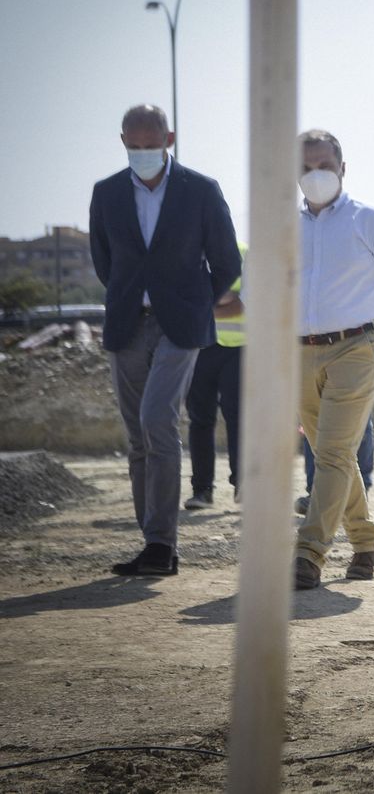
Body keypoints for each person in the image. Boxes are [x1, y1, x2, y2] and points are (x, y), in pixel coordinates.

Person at [88, 104, 241, 576]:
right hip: (127, 326)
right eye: (133, 147)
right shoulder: (107, 193)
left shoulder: (201, 190)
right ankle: (154, 545)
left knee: (158, 419)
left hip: (182, 328)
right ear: (122, 143)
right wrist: (132, 299)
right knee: (138, 436)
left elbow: (227, 263)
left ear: (168, 140)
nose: (142, 154)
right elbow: (104, 262)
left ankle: (161, 541)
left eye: (150, 146)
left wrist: (195, 303)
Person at [291, 129, 374, 591]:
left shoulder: (370, 220)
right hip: (299, 350)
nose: (316, 174)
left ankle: (309, 553)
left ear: (342, 168)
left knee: (336, 451)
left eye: (325, 165)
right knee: (331, 453)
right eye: (307, 167)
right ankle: (365, 542)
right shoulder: (283, 227)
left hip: (360, 345)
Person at [184, 243, 245, 508]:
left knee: (238, 418)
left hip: (240, 348)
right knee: (199, 420)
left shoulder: (245, 254)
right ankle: (202, 491)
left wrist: (202, 304)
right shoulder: (185, 253)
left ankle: (243, 486)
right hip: (199, 347)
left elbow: (241, 305)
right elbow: (180, 299)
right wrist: (222, 300)